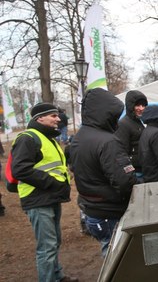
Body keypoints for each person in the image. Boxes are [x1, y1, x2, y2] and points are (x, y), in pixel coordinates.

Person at [10, 103, 77, 282]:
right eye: (53, 116)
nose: (58, 119)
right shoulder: (28, 138)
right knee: (46, 247)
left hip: (49, 197)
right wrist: (53, 183)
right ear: (39, 118)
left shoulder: (47, 138)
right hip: (38, 199)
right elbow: (20, 169)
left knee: (54, 242)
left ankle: (57, 275)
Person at [69, 88, 138, 257]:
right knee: (118, 258)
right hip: (109, 211)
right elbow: (124, 181)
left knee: (108, 251)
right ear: (107, 114)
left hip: (91, 209)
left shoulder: (79, 137)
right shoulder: (108, 142)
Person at [115, 90, 148, 179]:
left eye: (143, 105)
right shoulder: (123, 124)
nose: (141, 108)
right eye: (137, 105)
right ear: (130, 106)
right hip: (135, 173)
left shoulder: (138, 121)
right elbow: (121, 153)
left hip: (142, 169)